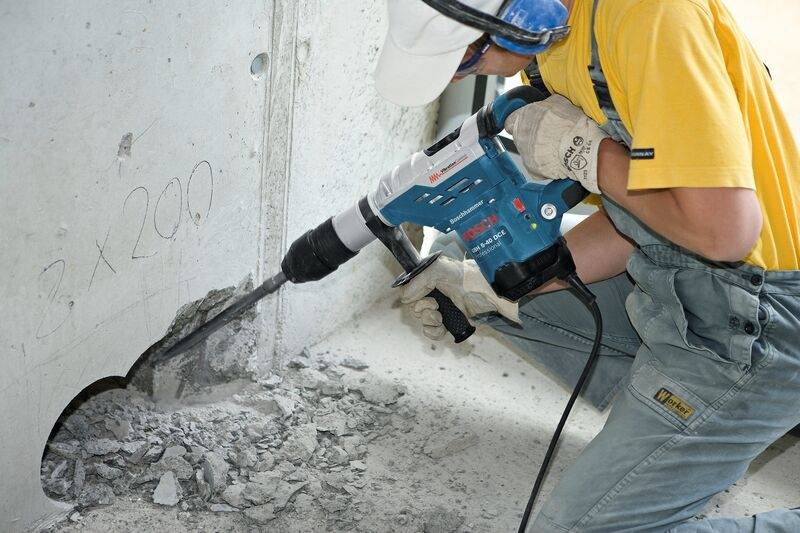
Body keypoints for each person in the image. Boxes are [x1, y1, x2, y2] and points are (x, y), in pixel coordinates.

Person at [374, 0, 800, 531]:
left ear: (523, 15)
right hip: (674, 283)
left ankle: (704, 415)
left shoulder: (650, 21)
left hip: (760, 324)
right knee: (492, 260)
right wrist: (489, 284)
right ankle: (675, 423)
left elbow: (725, 232)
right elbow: (643, 217)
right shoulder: (556, 40)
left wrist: (586, 155)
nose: (468, 72)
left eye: (465, 60)